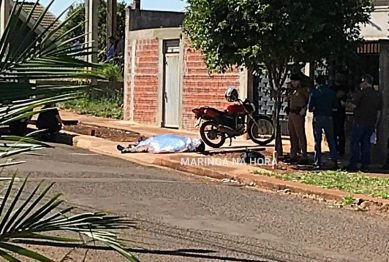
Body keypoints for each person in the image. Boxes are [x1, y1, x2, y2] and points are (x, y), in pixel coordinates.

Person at [343, 74, 382, 172]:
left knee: (354, 142)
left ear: (365, 82)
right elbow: (379, 111)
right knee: (366, 143)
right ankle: (365, 164)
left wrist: (345, 104)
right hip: (371, 122)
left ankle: (353, 164)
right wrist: (376, 123)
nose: (360, 84)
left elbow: (353, 105)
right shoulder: (377, 94)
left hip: (359, 121)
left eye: (362, 81)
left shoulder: (362, 93)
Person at [307, 75, 339, 169]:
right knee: (331, 139)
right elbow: (335, 108)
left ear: (317, 82)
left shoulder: (314, 93)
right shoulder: (332, 93)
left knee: (317, 140)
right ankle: (334, 160)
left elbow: (310, 108)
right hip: (329, 117)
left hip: (318, 117)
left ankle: (318, 162)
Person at [284, 74, 309, 164]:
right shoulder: (290, 90)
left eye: (295, 81)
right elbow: (285, 99)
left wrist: (304, 109)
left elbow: (309, 100)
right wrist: (288, 92)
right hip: (291, 113)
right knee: (292, 134)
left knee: (300, 134)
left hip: (298, 113)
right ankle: (293, 154)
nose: (294, 83)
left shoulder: (303, 90)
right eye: (292, 81)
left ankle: (304, 155)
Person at [330, 70, 348, 157]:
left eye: (340, 76)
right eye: (337, 76)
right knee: (333, 132)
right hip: (332, 113)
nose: (338, 78)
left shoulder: (345, 88)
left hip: (341, 113)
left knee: (341, 132)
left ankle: (341, 150)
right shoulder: (331, 88)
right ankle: (334, 150)